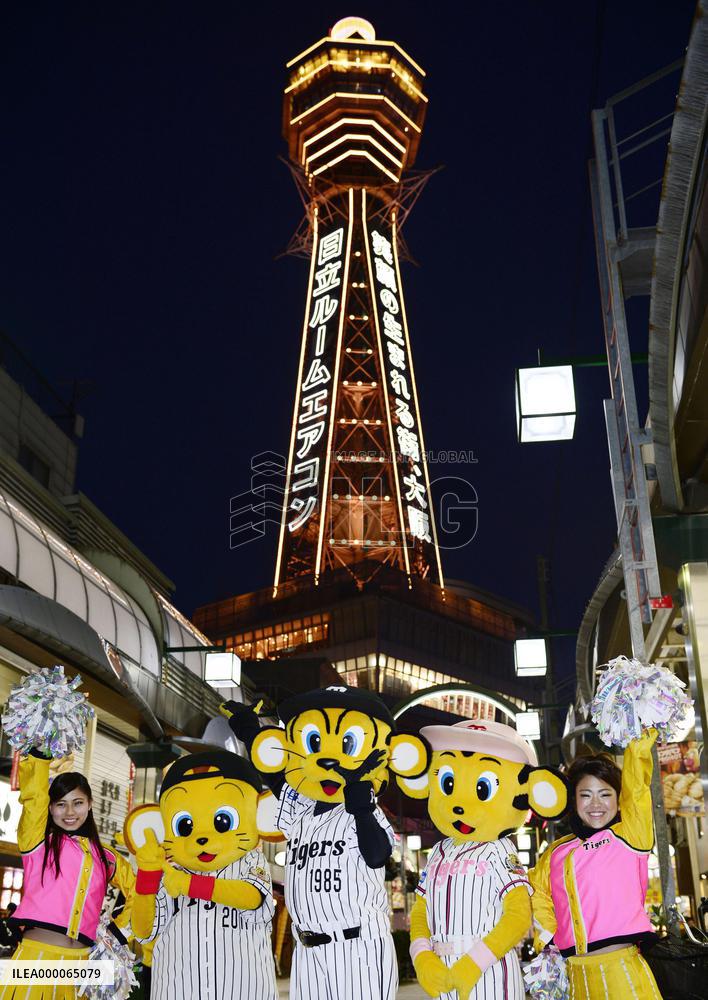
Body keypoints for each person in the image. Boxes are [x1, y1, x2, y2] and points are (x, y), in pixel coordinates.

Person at [529, 728, 663, 999]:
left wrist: (639, 737)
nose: (596, 804)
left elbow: (637, 789)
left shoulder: (629, 835)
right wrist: (550, 938)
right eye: (586, 795)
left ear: (618, 798)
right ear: (573, 800)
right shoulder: (556, 852)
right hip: (574, 976)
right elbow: (536, 892)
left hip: (622, 973)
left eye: (605, 794)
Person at [0, 750, 135, 1000]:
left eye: (78, 802)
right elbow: (34, 800)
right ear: (50, 808)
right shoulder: (38, 842)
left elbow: (139, 893)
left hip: (84, 965)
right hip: (37, 958)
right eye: (61, 804)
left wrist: (117, 932)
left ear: (90, 804)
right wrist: (41, 759)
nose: (69, 811)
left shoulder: (107, 857)